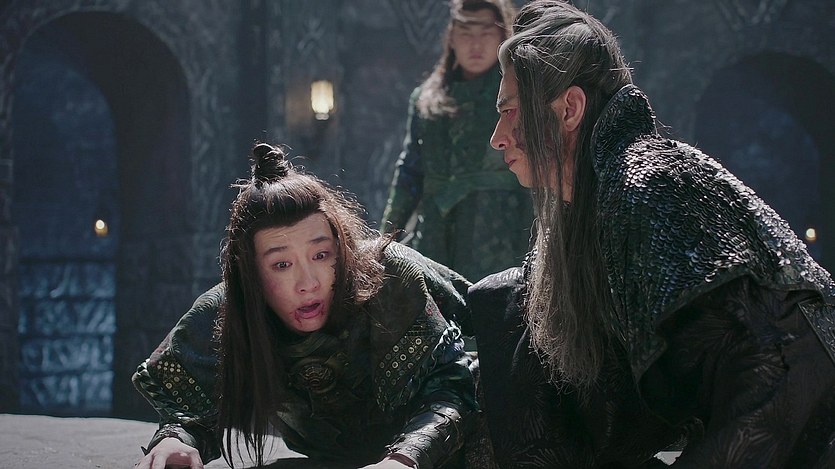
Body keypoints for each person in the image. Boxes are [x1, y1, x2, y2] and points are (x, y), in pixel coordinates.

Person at [469, 1, 835, 467]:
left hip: (795, 417)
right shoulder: (589, 208)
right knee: (505, 300)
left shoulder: (648, 184)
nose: (497, 137)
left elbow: (778, 370)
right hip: (748, 410)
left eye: (510, 111)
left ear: (570, 109)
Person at [133, 143, 479, 469]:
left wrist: (404, 459)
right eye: (282, 264)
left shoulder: (390, 277)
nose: (308, 282)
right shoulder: (227, 311)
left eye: (321, 255)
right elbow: (190, 414)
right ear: (251, 273)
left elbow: (453, 387)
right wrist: (176, 440)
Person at [381, 0, 533, 283]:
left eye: (486, 33)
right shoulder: (427, 99)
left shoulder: (518, 95)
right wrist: (385, 240)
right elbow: (410, 171)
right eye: (466, 32)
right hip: (435, 231)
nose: (476, 44)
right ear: (451, 37)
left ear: (502, 37)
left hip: (500, 229)